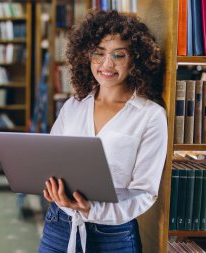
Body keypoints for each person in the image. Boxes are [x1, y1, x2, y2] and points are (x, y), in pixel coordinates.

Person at [38, 10, 168, 253]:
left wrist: (92, 210)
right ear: (87, 55)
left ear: (135, 60)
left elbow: (145, 192)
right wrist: (51, 188)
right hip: (59, 224)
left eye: (119, 55)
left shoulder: (150, 116)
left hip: (113, 235)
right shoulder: (73, 106)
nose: (107, 64)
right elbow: (50, 161)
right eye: (99, 53)